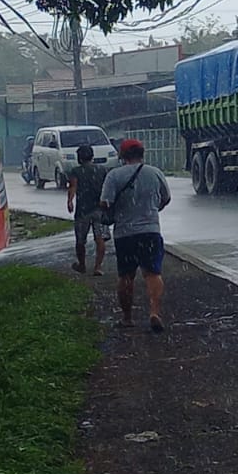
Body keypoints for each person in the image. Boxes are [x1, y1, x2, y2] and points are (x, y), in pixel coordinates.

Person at [100, 138, 171, 333]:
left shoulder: (114, 176)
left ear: (122, 156)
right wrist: (151, 210)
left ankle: (127, 318)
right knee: (153, 273)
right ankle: (155, 311)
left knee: (126, 276)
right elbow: (166, 198)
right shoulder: (155, 173)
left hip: (125, 234)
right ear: (142, 154)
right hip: (150, 231)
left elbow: (105, 202)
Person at [66, 143, 110, 276]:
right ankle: (97, 267)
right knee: (100, 238)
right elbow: (107, 188)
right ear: (92, 156)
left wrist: (70, 201)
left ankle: (82, 265)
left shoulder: (76, 171)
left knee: (80, 240)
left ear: (79, 157)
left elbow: (73, 186)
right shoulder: (102, 170)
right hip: (100, 209)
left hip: (83, 210)